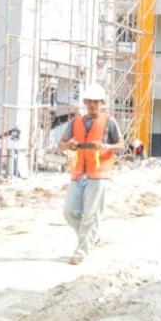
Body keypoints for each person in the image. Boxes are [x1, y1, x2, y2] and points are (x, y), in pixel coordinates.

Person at [57, 84, 124, 265]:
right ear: (85, 102)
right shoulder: (76, 122)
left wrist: (106, 146)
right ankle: (91, 239)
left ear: (102, 103)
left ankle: (81, 252)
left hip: (99, 172)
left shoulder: (109, 122)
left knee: (90, 215)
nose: (93, 105)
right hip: (79, 172)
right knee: (69, 212)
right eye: (90, 102)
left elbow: (121, 145)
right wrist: (68, 145)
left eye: (97, 102)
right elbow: (60, 144)